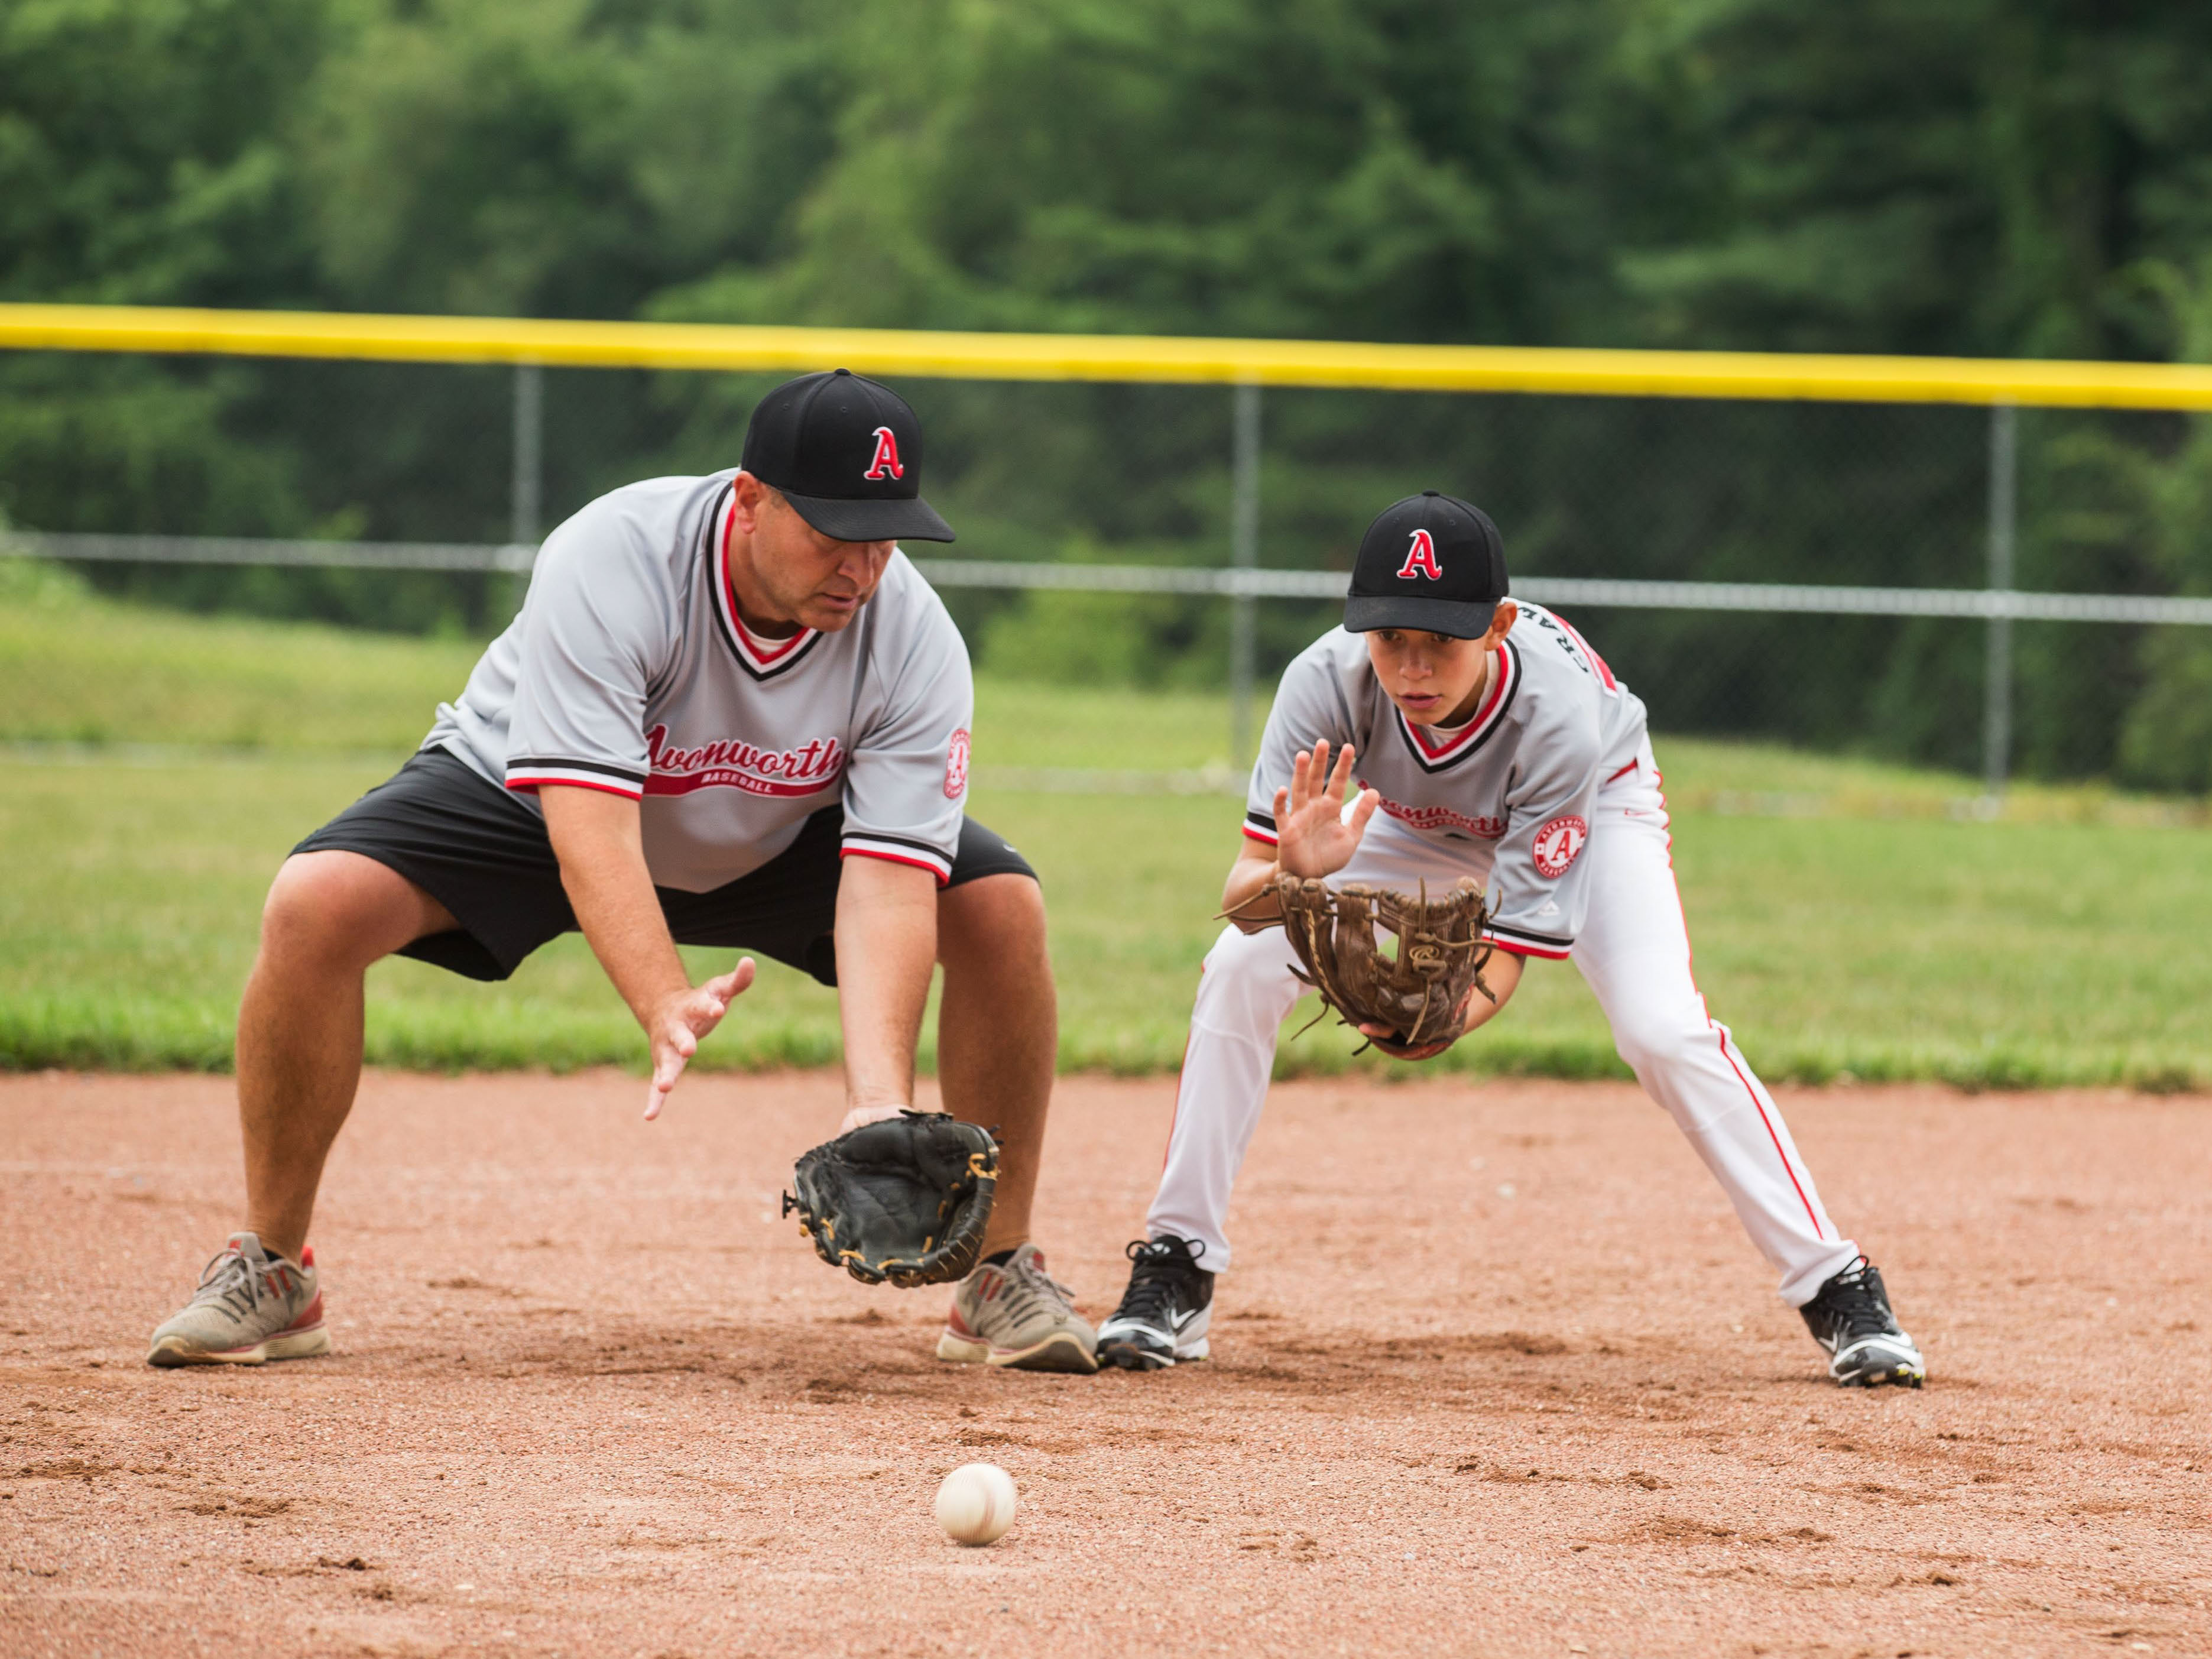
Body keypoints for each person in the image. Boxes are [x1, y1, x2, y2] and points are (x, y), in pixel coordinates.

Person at [147, 370, 1095, 1375]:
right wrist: (660, 996)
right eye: (832, 530)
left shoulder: (913, 638)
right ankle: (273, 1269)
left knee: (998, 906)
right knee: (315, 903)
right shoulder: (616, 557)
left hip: (784, 830)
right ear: (750, 499)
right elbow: (591, 828)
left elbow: (891, 880)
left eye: (884, 535)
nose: (860, 567)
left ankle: (996, 1274)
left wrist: (879, 1101)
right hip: (531, 800)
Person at [1092, 491, 1927, 1388]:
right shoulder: (1322, 682)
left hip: (1589, 804)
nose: (1411, 667)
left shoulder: (1556, 710)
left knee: (1661, 1028)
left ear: (1495, 625)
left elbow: (1510, 953)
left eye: (1439, 642)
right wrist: (1295, 876)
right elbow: (1240, 894)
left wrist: (1433, 1024)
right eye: (1389, 640)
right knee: (1239, 964)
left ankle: (1836, 1283)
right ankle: (1175, 1265)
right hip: (1395, 821)